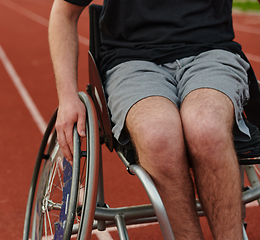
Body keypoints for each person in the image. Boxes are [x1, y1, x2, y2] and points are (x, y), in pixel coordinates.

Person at [48, 0, 252, 239]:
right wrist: (67, 98)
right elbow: (64, 12)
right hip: (132, 61)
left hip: (211, 52)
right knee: (158, 137)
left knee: (206, 127)